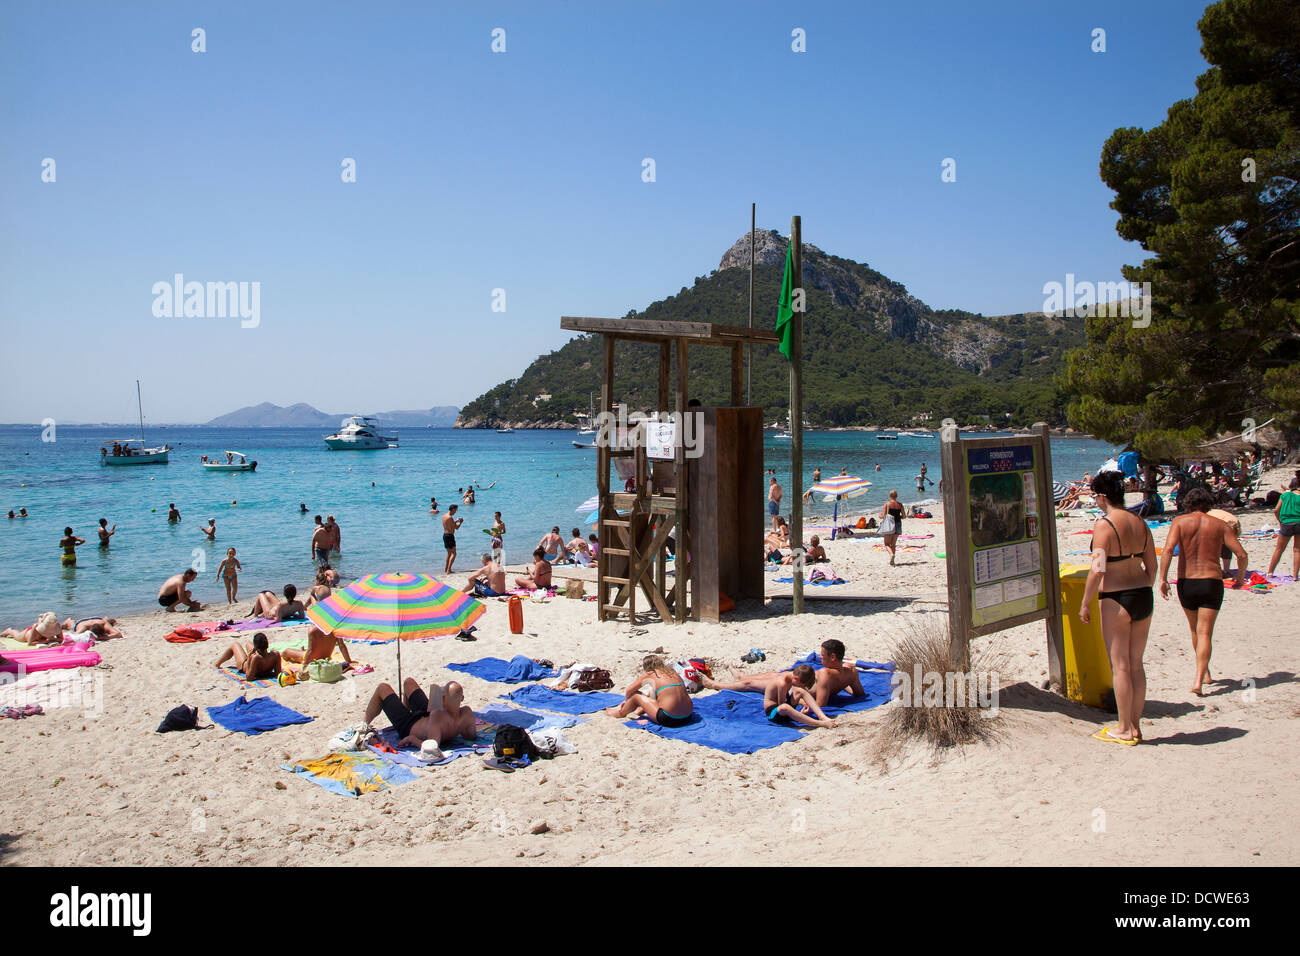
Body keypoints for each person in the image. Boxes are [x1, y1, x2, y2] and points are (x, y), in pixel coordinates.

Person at [1080, 470, 1157, 743]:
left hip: (1115, 597)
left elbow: (1098, 568)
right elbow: (1152, 566)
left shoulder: (1105, 524)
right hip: (1143, 595)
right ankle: (1135, 725)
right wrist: (1142, 585)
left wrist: (1085, 601)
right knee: (1136, 664)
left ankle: (1124, 728)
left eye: (1095, 496)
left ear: (1102, 496)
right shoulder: (1140, 522)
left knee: (1120, 666)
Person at [1158, 488, 1247, 696]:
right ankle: (1200, 677)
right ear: (1209, 504)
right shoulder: (1219, 525)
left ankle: (1204, 674)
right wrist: (1240, 577)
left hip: (1186, 581)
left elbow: (1169, 550)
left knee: (1194, 630)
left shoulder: (1179, 522)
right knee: (1205, 632)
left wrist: (1162, 578)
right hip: (1211, 581)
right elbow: (1241, 554)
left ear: (1187, 503)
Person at [361, 677, 476, 748]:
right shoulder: (467, 713)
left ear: (443, 699)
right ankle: (405, 710)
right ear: (462, 698)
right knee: (408, 682)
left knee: (383, 687)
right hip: (426, 717)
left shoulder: (438, 716)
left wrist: (411, 739)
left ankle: (363, 724)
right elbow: (470, 736)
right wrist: (456, 728)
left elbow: (431, 747)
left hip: (408, 727)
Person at [603, 656, 693, 727]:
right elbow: (658, 695)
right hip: (688, 717)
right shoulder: (672, 672)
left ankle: (620, 713)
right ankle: (640, 710)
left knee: (635, 696)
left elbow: (630, 690)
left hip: (669, 718)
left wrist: (627, 703)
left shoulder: (651, 673)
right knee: (658, 693)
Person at [764, 665, 839, 728]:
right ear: (796, 678)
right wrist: (797, 714)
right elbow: (782, 704)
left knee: (800, 691)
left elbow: (793, 695)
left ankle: (822, 717)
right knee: (784, 707)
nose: (800, 686)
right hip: (773, 713)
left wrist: (801, 706)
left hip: (784, 706)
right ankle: (820, 723)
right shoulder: (782, 683)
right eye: (801, 685)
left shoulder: (791, 676)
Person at [282, 624, 354, 675]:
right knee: (303, 651)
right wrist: (349, 661)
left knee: (286, 652)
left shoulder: (312, 630)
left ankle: (301, 651)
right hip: (327, 659)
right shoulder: (335, 629)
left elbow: (310, 651)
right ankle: (302, 650)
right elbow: (342, 646)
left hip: (312, 660)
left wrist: (304, 667)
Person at [1265, 478, 1300, 580]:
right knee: (1297, 550)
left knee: (1279, 549)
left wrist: (1280, 521)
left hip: (1286, 523)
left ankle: (1270, 572)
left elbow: (1276, 510)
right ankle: (1295, 576)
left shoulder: (1284, 495)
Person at [214, 632, 281, 680]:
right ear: (267, 644)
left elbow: (249, 678)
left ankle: (217, 664)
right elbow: (278, 673)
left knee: (235, 644)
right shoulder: (276, 654)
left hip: (244, 665)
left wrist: (249, 657)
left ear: (257, 648)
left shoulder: (256, 658)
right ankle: (256, 647)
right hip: (263, 663)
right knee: (248, 644)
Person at [879, 490, 905, 565]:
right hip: (898, 524)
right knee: (893, 544)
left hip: (889, 524)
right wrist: (898, 516)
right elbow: (904, 516)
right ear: (896, 496)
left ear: (889, 496)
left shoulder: (887, 504)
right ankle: (892, 561)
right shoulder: (900, 505)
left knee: (887, 543)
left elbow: (883, 516)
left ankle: (891, 555)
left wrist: (880, 516)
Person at [442, 504, 463, 574]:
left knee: (449, 553)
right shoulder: (450, 518)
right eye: (455, 510)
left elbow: (449, 525)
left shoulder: (444, 516)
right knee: (454, 553)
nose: (455, 512)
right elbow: (456, 528)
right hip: (450, 536)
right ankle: (449, 570)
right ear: (453, 509)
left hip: (445, 535)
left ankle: (446, 569)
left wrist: (456, 521)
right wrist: (460, 523)